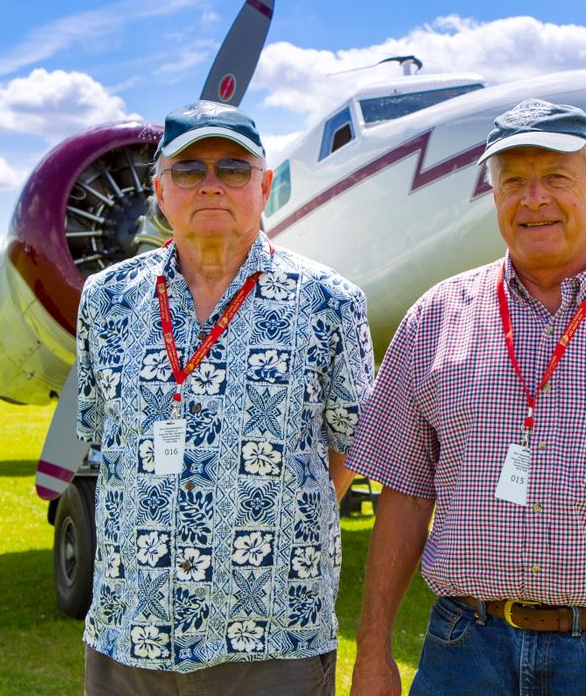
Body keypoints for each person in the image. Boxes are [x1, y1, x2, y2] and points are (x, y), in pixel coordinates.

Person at [345, 99, 586, 695]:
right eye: (514, 182)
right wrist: (373, 648)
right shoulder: (435, 317)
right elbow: (404, 495)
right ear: (493, 194)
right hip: (462, 647)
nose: (534, 200)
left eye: (556, 178)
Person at [76, 100, 373, 694]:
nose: (211, 184)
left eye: (233, 169)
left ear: (264, 187)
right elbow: (101, 433)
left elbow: (354, 448)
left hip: (272, 640)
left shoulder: (330, 302)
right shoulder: (104, 302)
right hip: (128, 635)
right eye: (189, 171)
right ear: (160, 191)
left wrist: (272, 503)